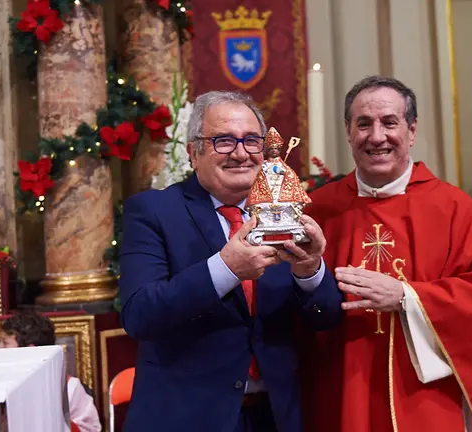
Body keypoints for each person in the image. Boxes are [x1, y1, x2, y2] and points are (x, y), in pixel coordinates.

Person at [302, 75, 472, 431]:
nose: (377, 137)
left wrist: (408, 297)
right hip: (343, 384)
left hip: (428, 396)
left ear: (412, 130)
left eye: (390, 122)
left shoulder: (454, 208)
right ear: (348, 132)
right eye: (363, 124)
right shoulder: (319, 209)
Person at [118, 90, 342, 432]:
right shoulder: (153, 211)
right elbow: (140, 315)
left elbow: (325, 319)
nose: (241, 153)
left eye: (252, 141)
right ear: (194, 153)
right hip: (187, 418)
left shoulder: (287, 214)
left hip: (277, 416)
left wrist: (310, 271)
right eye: (223, 141)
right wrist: (225, 269)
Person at [0, 311, 101, 432]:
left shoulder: (69, 387)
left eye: (5, 343)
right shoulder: (0, 387)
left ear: (30, 351)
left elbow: (89, 429)